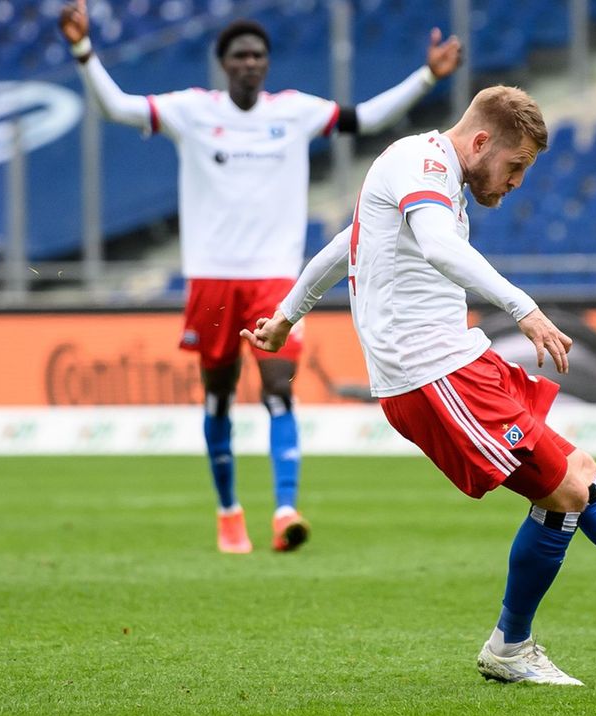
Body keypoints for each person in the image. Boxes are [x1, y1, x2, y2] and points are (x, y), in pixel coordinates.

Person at [243, 86, 596, 685]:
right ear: (480, 142)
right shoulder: (422, 166)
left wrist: (288, 316)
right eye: (515, 166)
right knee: (564, 490)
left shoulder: (427, 173)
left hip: (455, 362)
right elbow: (436, 246)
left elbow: (341, 245)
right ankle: (533, 639)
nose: (515, 182)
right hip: (430, 373)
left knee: (577, 474)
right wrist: (523, 308)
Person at [58, 0, 461, 555]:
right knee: (219, 400)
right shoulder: (191, 111)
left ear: (267, 65)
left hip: (275, 281)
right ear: (224, 64)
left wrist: (426, 76)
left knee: (278, 394)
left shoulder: (293, 112)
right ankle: (228, 512)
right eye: (241, 55)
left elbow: (364, 118)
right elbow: (116, 108)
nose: (251, 63)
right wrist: (83, 49)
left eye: (259, 56)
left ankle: (285, 510)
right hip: (212, 281)